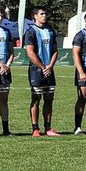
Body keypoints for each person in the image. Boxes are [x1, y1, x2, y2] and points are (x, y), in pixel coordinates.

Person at [24, 7, 60, 136]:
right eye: (41, 14)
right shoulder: (30, 32)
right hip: (36, 70)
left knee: (49, 99)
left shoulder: (50, 30)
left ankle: (48, 128)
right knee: (36, 99)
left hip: (49, 70)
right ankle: (35, 128)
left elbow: (55, 50)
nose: (44, 16)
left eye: (45, 13)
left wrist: (50, 66)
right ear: (35, 16)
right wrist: (42, 67)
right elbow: (30, 52)